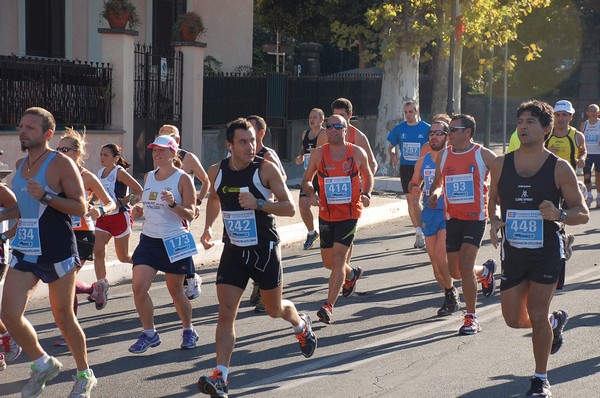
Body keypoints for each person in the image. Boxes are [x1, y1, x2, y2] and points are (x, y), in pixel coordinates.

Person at [197, 118, 317, 398]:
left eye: (252, 140)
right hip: (234, 251)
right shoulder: (216, 171)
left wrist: (259, 203)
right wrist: (206, 228)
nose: (251, 146)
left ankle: (300, 324)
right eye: (243, 142)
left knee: (275, 310)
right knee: (226, 312)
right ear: (229, 145)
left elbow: (289, 207)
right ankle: (221, 377)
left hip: (264, 250)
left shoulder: (265, 169)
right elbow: (214, 199)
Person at [488, 100, 589, 397]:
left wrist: (558, 215)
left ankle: (540, 377)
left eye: (531, 121)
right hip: (514, 251)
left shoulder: (559, 167)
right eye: (520, 121)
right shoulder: (501, 163)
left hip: (547, 249)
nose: (523, 126)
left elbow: (581, 212)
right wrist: (493, 221)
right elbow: (492, 201)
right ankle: (555, 322)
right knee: (513, 319)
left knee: (536, 310)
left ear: (546, 129)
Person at [0, 107, 97, 397]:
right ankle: (43, 364)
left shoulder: (61, 164)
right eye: (21, 126)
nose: (23, 131)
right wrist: (6, 216)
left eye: (30, 127)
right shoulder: (20, 163)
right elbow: (24, 207)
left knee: (64, 317)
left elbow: (80, 207)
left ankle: (84, 374)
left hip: (56, 249)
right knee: (9, 314)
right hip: (25, 249)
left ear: (48, 134)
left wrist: (47, 195)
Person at [128, 135, 200, 354]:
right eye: (154, 151)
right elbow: (149, 206)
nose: (156, 154)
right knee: (139, 287)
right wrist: (140, 211)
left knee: (175, 290)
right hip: (150, 239)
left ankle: (188, 330)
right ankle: (149, 333)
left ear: (173, 153)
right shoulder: (149, 176)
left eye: (161, 151)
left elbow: (191, 213)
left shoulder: (182, 179)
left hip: (174, 239)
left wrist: (173, 203)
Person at [428, 114, 498, 335]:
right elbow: (438, 183)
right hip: (453, 218)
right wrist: (435, 194)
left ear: (467, 132)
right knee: (456, 272)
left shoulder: (483, 154)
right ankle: (485, 271)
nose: (448, 133)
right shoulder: (443, 156)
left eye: (453, 129)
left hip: (475, 218)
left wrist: (496, 211)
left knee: (465, 266)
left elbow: (501, 180)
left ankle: (471, 317)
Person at [301, 114, 374, 324]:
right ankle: (351, 275)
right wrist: (312, 194)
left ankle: (328, 306)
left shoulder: (356, 152)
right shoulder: (318, 154)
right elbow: (307, 180)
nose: (333, 130)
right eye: (329, 127)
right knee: (329, 262)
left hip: (350, 213)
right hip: (326, 213)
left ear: (345, 129)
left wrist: (366, 194)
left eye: (337, 127)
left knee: (339, 258)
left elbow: (368, 176)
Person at [54, 128, 116, 346]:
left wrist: (100, 210)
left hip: (81, 234)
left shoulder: (86, 177)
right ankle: (94, 289)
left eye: (65, 149)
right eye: (57, 149)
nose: (60, 152)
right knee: (60, 281)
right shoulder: (55, 173)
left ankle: (69, 332)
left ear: (77, 152)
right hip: (59, 231)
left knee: (66, 282)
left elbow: (110, 202)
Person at [407, 121, 460, 316]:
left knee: (440, 257)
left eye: (439, 133)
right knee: (436, 265)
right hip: (429, 214)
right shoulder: (422, 161)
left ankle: (451, 296)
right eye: (431, 133)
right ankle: (450, 291)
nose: (434, 136)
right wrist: (415, 191)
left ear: (447, 136)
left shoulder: (454, 158)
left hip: (449, 212)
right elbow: (413, 184)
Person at [158, 124, 211, 300]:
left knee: (180, 241)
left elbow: (206, 181)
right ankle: (186, 275)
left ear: (177, 140)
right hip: (163, 209)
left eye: (169, 138)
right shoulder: (160, 157)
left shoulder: (189, 158)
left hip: (182, 208)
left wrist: (198, 203)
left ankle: (190, 277)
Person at [245, 115, 288, 313]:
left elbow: (283, 177)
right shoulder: (239, 152)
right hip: (242, 211)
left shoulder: (267, 154)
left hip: (263, 210)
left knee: (264, 254)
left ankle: (266, 292)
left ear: (260, 133)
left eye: (251, 129)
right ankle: (257, 285)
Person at [93, 143, 143, 309]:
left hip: (120, 217)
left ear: (115, 158)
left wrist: (123, 201)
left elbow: (138, 189)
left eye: (106, 155)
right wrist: (91, 203)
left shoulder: (119, 173)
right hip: (104, 217)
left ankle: (144, 263)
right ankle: (102, 286)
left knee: (123, 257)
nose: (102, 157)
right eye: (101, 154)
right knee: (98, 251)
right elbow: (96, 193)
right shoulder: (99, 173)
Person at [545, 100, 587, 266]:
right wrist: (548, 152)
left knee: (562, 213)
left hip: (568, 182)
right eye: (557, 115)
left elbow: (583, 150)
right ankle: (562, 240)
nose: (560, 118)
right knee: (551, 213)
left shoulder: (577, 135)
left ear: (571, 117)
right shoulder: (546, 134)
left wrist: (581, 159)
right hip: (548, 180)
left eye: (564, 115)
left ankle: (561, 241)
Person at [387, 101, 431, 249]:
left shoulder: (426, 128)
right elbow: (390, 146)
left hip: (421, 168)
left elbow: (435, 145)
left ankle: (421, 231)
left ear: (417, 112)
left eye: (411, 112)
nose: (408, 115)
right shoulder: (399, 129)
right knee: (410, 201)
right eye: (406, 112)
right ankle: (418, 231)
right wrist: (392, 155)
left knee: (414, 200)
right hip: (405, 168)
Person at [295, 108, 327, 251]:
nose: (311, 120)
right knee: (303, 205)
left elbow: (323, 152)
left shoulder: (324, 134)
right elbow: (304, 148)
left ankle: (327, 234)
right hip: (308, 176)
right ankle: (312, 233)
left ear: (321, 120)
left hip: (321, 176)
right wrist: (301, 156)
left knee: (323, 207)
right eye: (310, 117)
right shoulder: (305, 134)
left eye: (315, 117)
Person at [0, 181, 20, 368]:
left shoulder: (2, 190)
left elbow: (21, 214)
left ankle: (8, 338)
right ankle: (6, 337)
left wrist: (5, 236)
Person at [579, 104, 600, 208]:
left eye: (594, 111)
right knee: (587, 176)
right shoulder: (584, 125)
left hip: (599, 153)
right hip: (587, 153)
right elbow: (579, 139)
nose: (592, 113)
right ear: (587, 113)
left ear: (598, 113)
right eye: (590, 111)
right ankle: (589, 196)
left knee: (598, 177)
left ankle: (599, 197)